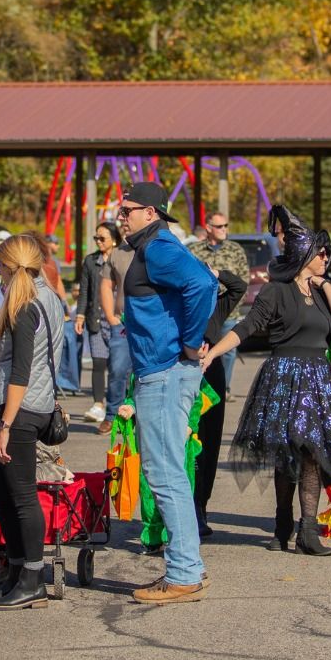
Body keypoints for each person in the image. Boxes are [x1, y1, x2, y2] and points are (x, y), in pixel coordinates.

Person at [203, 222, 331, 556]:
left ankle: (308, 531)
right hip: (285, 376)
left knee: (312, 453)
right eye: (320, 252)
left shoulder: (320, 290)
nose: (326, 256)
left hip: (317, 379)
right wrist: (213, 352)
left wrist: (324, 283)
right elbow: (247, 326)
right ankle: (283, 521)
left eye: (327, 252)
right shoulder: (276, 291)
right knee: (289, 454)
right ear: (303, 256)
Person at [117, 183, 216, 604]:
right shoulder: (151, 247)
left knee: (163, 473)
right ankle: (188, 566)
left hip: (164, 371)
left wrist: (191, 341)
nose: (121, 217)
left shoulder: (158, 248)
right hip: (165, 370)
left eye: (127, 211)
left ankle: (183, 574)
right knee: (170, 471)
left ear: (150, 213)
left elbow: (204, 285)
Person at [0, 234, 65, 611]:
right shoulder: (46, 298)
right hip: (30, 404)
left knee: (22, 494)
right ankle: (15, 572)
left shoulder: (27, 306)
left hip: (23, 408)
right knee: (0, 489)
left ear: (11, 269)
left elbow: (21, 372)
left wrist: (5, 426)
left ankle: (32, 578)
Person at [193, 267, 247, 536]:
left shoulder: (216, 309)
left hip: (211, 377)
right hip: (184, 373)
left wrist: (215, 272)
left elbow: (239, 287)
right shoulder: (180, 305)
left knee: (209, 443)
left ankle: (200, 506)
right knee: (184, 443)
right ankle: (183, 508)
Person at [188, 211, 250, 401]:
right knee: (201, 349)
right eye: (219, 226)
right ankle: (199, 387)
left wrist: (232, 305)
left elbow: (243, 278)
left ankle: (224, 387)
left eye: (226, 226)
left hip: (228, 309)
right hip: (203, 310)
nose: (224, 230)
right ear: (208, 228)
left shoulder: (235, 249)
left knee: (228, 351)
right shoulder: (194, 250)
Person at [75, 222, 121, 424]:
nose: (98, 242)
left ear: (114, 239)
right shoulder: (90, 261)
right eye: (96, 238)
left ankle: (116, 404)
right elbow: (85, 290)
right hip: (96, 318)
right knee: (98, 362)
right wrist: (80, 315)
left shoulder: (122, 258)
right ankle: (98, 404)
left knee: (118, 365)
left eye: (102, 238)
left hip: (118, 320)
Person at [98, 237, 134, 437]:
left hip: (149, 325)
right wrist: (111, 317)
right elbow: (106, 285)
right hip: (121, 324)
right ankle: (112, 415)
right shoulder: (117, 253)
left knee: (144, 374)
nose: (125, 221)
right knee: (118, 369)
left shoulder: (155, 248)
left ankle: (136, 416)